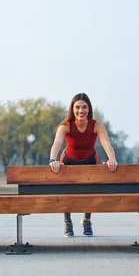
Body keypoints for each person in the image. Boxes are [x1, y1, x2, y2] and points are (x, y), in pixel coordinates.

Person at [49, 92, 117, 238]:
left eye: (84, 107)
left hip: (90, 160)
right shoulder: (65, 126)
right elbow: (57, 143)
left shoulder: (97, 125)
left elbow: (106, 143)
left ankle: (87, 220)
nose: (81, 111)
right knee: (66, 193)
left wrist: (112, 159)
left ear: (89, 109)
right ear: (72, 109)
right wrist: (52, 160)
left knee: (90, 192)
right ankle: (67, 221)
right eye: (77, 107)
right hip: (68, 161)